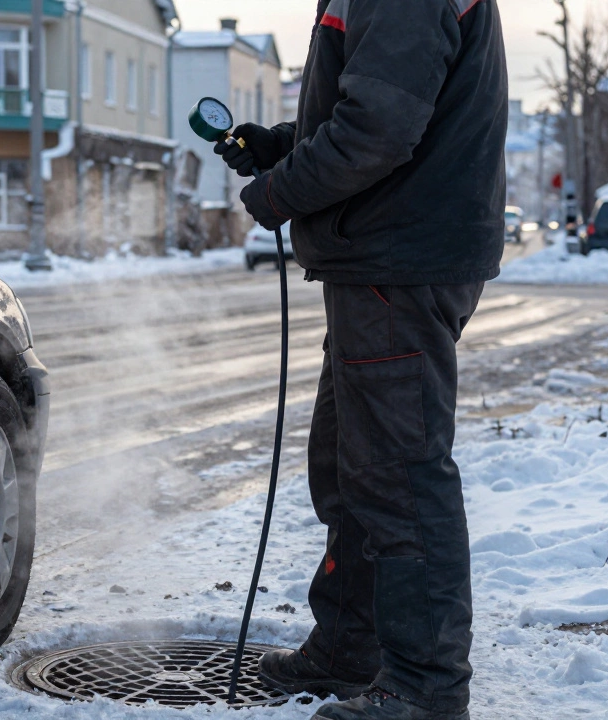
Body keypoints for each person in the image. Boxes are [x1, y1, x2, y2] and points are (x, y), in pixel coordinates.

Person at [217, 1, 506, 718]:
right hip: (383, 254)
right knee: (350, 463)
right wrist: (285, 143)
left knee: (398, 475)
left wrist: (280, 190)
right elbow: (384, 102)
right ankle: (352, 646)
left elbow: (380, 129)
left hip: (399, 259)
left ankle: (425, 687)